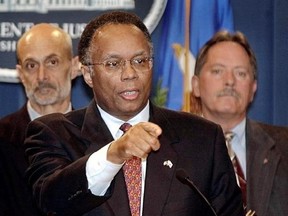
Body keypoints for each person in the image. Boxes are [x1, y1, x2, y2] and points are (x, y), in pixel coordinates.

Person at [24, 11, 244, 216]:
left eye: (140, 61)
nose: (129, 74)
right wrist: (113, 154)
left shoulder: (202, 138)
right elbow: (52, 202)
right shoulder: (54, 134)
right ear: (88, 74)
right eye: (113, 64)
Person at [191, 30, 288, 216]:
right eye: (218, 71)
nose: (230, 81)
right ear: (195, 85)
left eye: (241, 73)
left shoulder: (284, 146)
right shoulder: (171, 150)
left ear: (253, 89)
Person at [0, 23, 79, 215]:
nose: (42, 76)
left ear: (75, 67)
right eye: (31, 65)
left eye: (52, 62)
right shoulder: (1, 140)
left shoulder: (98, 138)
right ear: (21, 75)